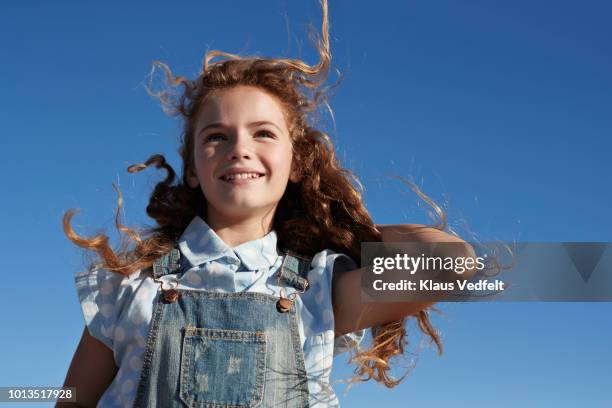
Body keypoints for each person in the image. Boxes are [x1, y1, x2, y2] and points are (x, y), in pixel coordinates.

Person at [59, 1, 474, 406]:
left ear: (296, 163)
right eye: (216, 136)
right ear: (191, 169)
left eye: (263, 133)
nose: (239, 149)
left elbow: (453, 265)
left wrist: (348, 236)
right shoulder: (130, 284)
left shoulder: (319, 290)